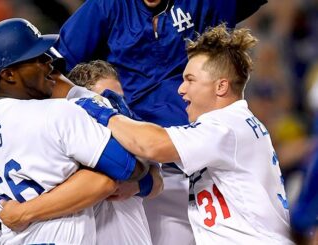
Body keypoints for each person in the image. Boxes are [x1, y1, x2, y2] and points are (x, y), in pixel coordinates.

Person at [56, 1, 268, 244]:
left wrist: (101, 112)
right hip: (145, 167)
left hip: (203, 158)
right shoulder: (106, 7)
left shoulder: (198, 4)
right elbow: (56, 69)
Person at [0, 18, 146, 245]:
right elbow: (130, 168)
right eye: (36, 59)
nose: (49, 62)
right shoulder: (57, 112)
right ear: (8, 75)